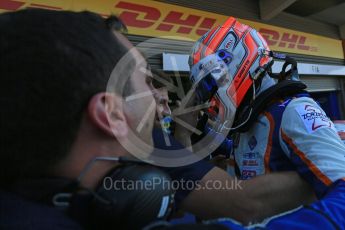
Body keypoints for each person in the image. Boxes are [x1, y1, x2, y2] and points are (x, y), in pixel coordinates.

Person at [0, 9, 319, 230]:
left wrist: (180, 133)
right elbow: (242, 203)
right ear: (110, 114)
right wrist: (323, 169)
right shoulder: (143, 140)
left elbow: (185, 195)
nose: (159, 94)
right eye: (147, 82)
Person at [188, 16, 345, 226]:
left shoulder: (293, 111)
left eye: (210, 84)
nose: (210, 97)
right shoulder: (247, 122)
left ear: (235, 63)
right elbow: (257, 152)